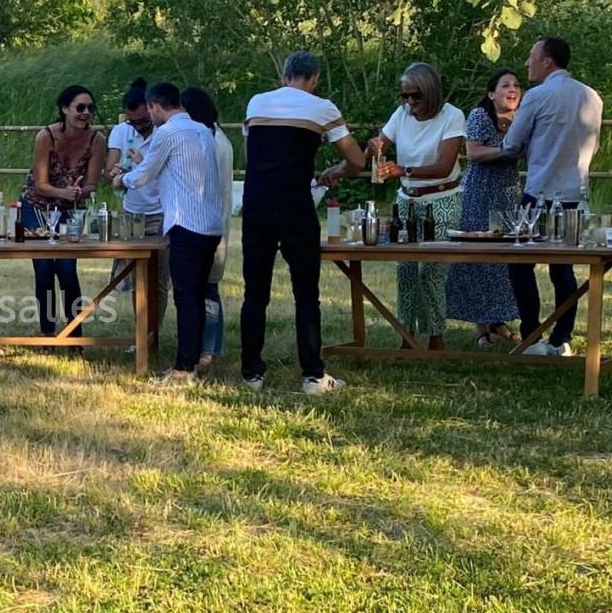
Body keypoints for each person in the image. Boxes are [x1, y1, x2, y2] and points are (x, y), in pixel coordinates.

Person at [248, 51, 364, 394]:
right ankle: (313, 374)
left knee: (255, 293)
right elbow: (356, 161)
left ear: (285, 76)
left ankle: (251, 372)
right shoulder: (323, 107)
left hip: (256, 203)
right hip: (295, 205)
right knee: (305, 293)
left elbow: (259, 154)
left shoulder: (256, 103)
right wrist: (335, 172)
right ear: (314, 79)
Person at [113, 82, 224, 383]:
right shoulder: (203, 130)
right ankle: (194, 359)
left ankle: (183, 369)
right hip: (211, 224)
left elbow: (146, 172)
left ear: (155, 106)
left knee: (186, 297)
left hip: (186, 223)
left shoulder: (168, 133)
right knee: (197, 295)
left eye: (150, 111)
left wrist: (122, 180)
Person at [501, 36, 604, 356]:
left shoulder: (537, 96)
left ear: (548, 61)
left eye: (532, 57)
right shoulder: (592, 97)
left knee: (519, 264)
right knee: (564, 268)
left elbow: (511, 146)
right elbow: (595, 144)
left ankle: (531, 335)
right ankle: (562, 338)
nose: (527, 63)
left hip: (539, 194)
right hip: (576, 194)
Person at [370, 62, 466, 351]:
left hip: (443, 198)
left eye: (416, 96)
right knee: (406, 268)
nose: (410, 102)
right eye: (405, 96)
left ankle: (436, 335)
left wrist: (404, 170)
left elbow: (444, 165)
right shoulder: (401, 114)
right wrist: (375, 145)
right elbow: (379, 144)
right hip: (407, 200)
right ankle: (406, 334)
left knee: (431, 270)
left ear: (431, 92)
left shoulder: (452, 116)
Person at [445, 69, 523, 346]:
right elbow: (474, 153)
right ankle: (481, 329)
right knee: (479, 256)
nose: (512, 89)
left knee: (505, 259)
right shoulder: (480, 116)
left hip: (508, 193)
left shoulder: (522, 119)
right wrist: (507, 150)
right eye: (505, 85)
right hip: (479, 193)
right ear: (492, 94)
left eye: (516, 85)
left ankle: (499, 320)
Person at [21, 85, 105, 339]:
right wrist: (64, 192)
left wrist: (79, 192)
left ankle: (73, 332)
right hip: (37, 205)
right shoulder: (45, 136)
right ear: (64, 109)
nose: (86, 113)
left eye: (90, 108)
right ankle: (47, 332)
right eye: (80, 107)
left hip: (70, 208)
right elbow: (41, 184)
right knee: (44, 267)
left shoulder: (96, 140)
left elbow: (91, 183)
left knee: (67, 268)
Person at [106, 78, 169, 329]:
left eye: (144, 121)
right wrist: (115, 172)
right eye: (133, 122)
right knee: (136, 278)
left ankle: (154, 333)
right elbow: (110, 169)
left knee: (159, 279)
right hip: (132, 214)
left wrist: (142, 163)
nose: (139, 127)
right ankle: (141, 333)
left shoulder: (165, 133)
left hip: (162, 212)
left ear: (153, 109)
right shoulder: (121, 132)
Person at [181, 87, 233, 372]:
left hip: (206, 224)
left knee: (207, 288)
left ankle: (208, 349)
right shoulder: (215, 136)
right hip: (213, 222)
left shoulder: (208, 141)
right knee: (206, 287)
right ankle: (211, 345)